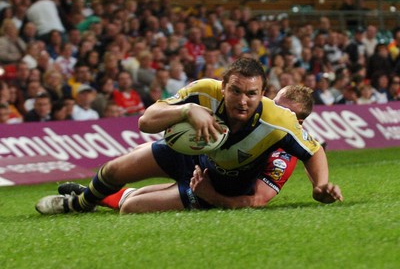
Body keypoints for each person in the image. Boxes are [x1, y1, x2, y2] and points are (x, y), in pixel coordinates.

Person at [35, 57, 340, 215]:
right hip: (191, 151)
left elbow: (261, 197)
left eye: (251, 94)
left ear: (262, 94)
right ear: (223, 86)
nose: (242, 100)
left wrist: (320, 186)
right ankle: (82, 202)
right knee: (115, 169)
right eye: (235, 90)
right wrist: (186, 112)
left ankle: (102, 197)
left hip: (213, 185)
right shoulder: (204, 91)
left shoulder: (281, 129)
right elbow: (146, 121)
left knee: (132, 206)